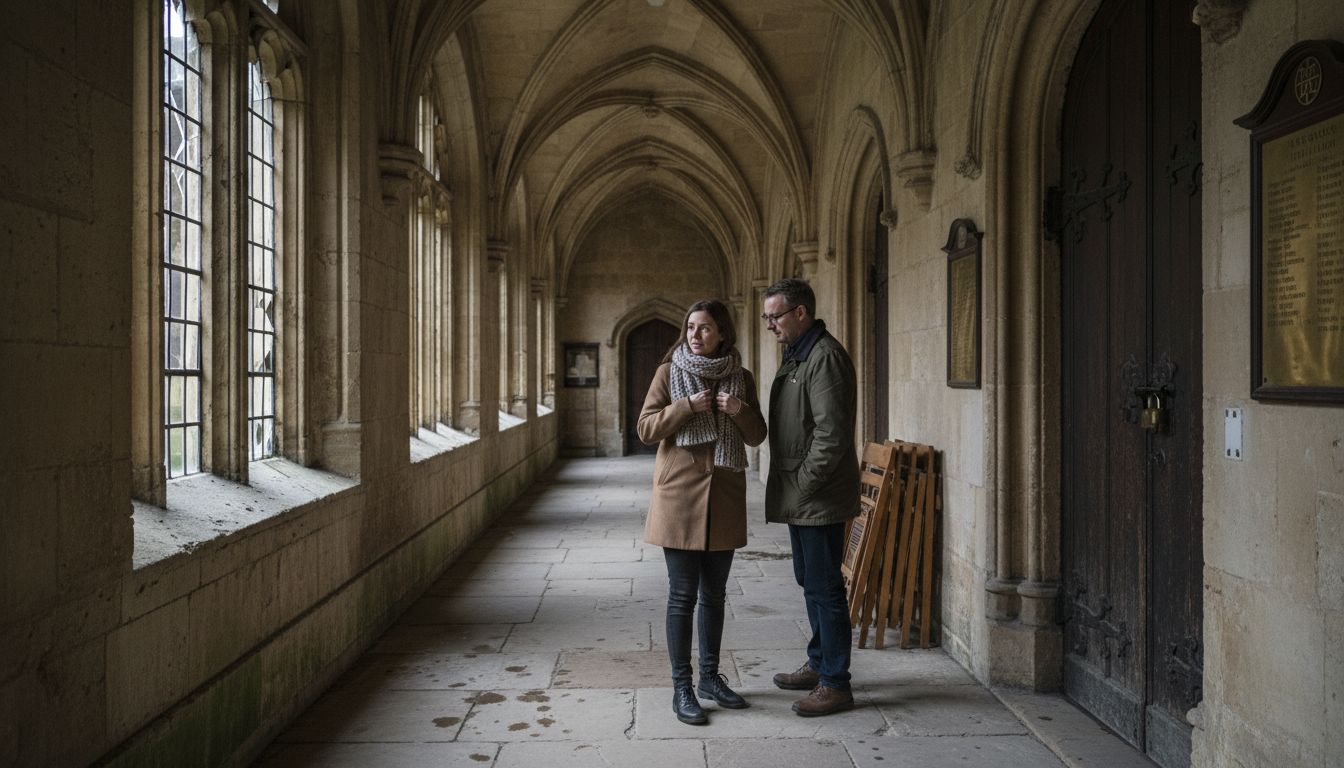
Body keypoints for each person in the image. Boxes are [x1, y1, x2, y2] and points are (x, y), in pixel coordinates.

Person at [637, 299, 768, 725]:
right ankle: (682, 687)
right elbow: (645, 428)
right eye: (691, 327)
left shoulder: (741, 377)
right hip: (678, 496)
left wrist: (739, 410)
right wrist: (686, 408)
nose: (695, 334)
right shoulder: (668, 371)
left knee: (714, 595)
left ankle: (711, 678)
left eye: (705, 328)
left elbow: (757, 435)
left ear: (723, 333)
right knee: (681, 596)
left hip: (725, 497)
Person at [760, 277, 860, 717]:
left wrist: (801, 485)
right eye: (766, 318)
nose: (770, 326)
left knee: (826, 588)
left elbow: (831, 437)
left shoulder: (825, 357)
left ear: (801, 312)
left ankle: (836, 683)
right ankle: (820, 664)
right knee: (810, 582)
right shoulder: (799, 354)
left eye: (775, 316)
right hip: (804, 497)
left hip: (817, 497)